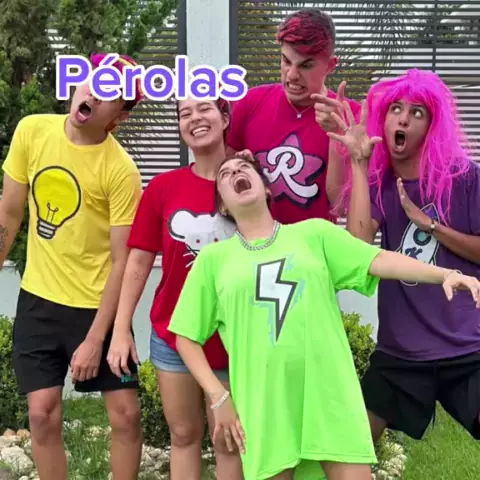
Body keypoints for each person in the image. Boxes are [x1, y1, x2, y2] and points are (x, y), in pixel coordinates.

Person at [166, 154, 480, 480]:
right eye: (225, 174)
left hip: (330, 397)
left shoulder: (314, 235)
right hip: (265, 404)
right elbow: (186, 336)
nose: (236, 172)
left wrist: (444, 274)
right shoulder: (213, 260)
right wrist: (219, 397)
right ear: (223, 206)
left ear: (266, 188)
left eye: (244, 168)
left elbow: (378, 260)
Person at [0, 53, 144, 480]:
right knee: (42, 414)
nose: (95, 95)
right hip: (39, 300)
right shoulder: (32, 131)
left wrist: (96, 339)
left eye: (110, 95)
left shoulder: (121, 170)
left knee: (126, 416)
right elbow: (9, 214)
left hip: (97, 304)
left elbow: (121, 260)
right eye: (93, 82)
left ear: (119, 115)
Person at [327, 68, 480, 444]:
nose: (404, 118)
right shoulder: (379, 184)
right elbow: (359, 245)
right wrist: (358, 163)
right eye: (396, 109)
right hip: (401, 351)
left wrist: (431, 225)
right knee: (354, 443)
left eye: (417, 112)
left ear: (432, 126)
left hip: (468, 345)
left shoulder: (466, 178)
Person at [106, 96, 243, 479]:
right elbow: (138, 261)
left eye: (205, 109)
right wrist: (121, 329)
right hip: (175, 335)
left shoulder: (246, 180)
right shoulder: (164, 187)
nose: (195, 118)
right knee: (183, 434)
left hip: (234, 338)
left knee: (230, 439)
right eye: (185, 113)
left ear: (225, 118)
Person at [226, 7, 360, 224]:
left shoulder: (351, 117)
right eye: (286, 61)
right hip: (255, 242)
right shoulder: (250, 103)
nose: (292, 75)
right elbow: (221, 187)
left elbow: (340, 205)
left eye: (306, 65)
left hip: (316, 243)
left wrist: (336, 134)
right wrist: (242, 168)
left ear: (330, 65)